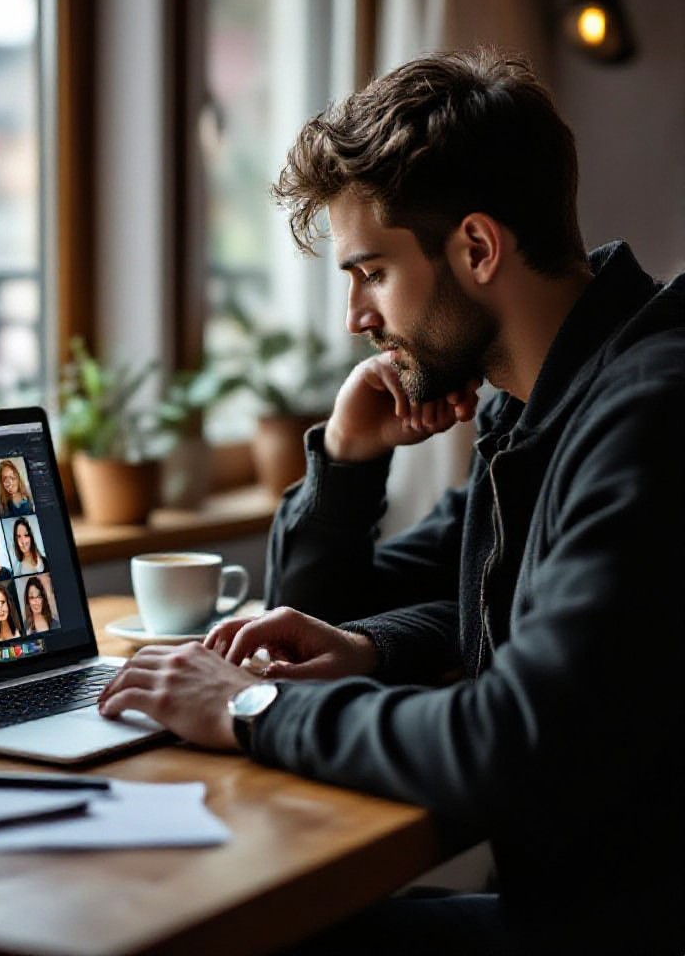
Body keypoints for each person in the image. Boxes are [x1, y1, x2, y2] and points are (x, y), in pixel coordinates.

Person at [98, 48, 684, 956]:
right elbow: (359, 608)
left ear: (478, 248)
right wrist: (347, 461)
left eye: (370, 272)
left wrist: (252, 712)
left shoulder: (649, 412)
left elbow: (515, 739)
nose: (356, 319)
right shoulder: (544, 406)